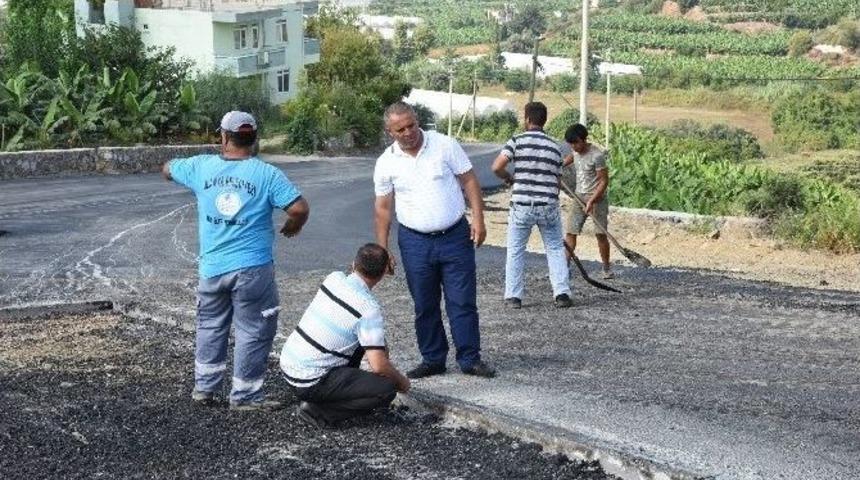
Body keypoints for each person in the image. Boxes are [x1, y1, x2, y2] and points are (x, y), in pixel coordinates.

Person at [162, 110, 310, 410]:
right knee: (254, 328)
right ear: (254, 138)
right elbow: (298, 208)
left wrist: (193, 171)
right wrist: (293, 226)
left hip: (212, 269)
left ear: (224, 136)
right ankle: (244, 395)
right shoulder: (267, 174)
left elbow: (166, 169)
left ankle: (205, 389)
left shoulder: (201, 167)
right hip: (252, 269)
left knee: (210, 326)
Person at [373, 101, 495, 380]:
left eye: (412, 125)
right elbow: (382, 208)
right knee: (424, 303)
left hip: (454, 236)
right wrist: (383, 247)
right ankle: (433, 358)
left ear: (418, 121)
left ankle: (470, 358)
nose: (408, 132)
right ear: (390, 131)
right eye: (400, 129)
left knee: (462, 301)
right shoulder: (386, 163)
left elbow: (470, 181)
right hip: (414, 242)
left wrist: (478, 218)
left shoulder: (444, 145)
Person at [280, 243, 410, 428]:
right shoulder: (367, 308)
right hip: (309, 381)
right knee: (386, 390)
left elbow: (376, 345)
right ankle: (318, 412)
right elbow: (379, 365)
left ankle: (331, 395)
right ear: (383, 273)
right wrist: (402, 383)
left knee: (368, 339)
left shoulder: (333, 279)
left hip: (289, 364)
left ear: (353, 264)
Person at [491, 102, 571, 309]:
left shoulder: (517, 140)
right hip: (548, 205)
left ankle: (513, 297)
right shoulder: (555, 147)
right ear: (545, 120)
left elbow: (497, 167)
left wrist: (509, 178)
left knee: (516, 250)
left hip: (522, 204)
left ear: (527, 119)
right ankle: (562, 294)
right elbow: (557, 180)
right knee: (554, 249)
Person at [562, 123, 612, 279]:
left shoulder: (597, 156)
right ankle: (564, 268)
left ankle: (606, 268)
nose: (574, 146)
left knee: (600, 234)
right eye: (571, 143)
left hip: (597, 199)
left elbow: (603, 181)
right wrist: (557, 167)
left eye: (576, 143)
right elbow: (569, 159)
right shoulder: (575, 151)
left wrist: (591, 201)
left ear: (584, 140)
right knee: (571, 232)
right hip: (578, 197)